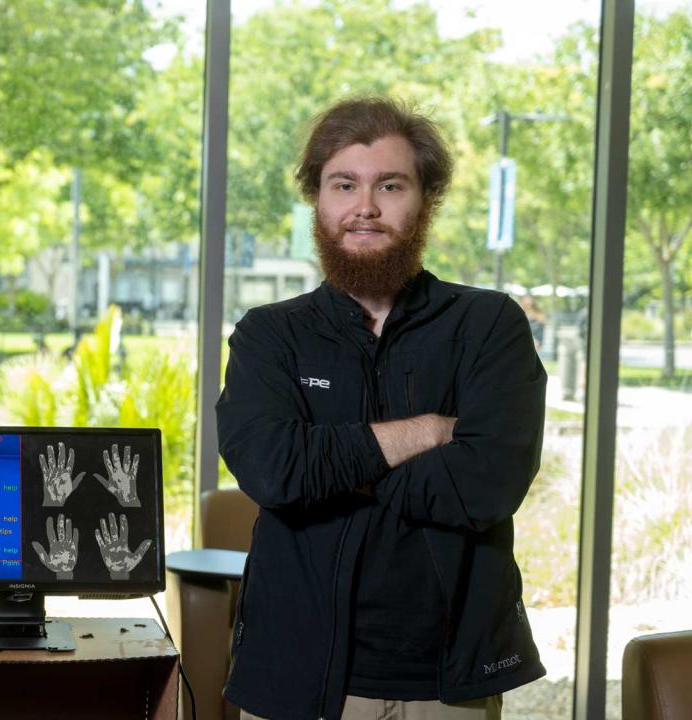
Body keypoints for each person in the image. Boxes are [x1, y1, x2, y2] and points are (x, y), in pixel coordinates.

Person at [216, 97, 546, 720]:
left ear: (426, 201)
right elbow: (273, 472)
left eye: (390, 185)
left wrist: (329, 465)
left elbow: (488, 484)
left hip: (448, 684)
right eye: (345, 185)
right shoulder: (268, 335)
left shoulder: (487, 325)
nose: (364, 207)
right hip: (294, 677)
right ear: (318, 199)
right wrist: (428, 431)